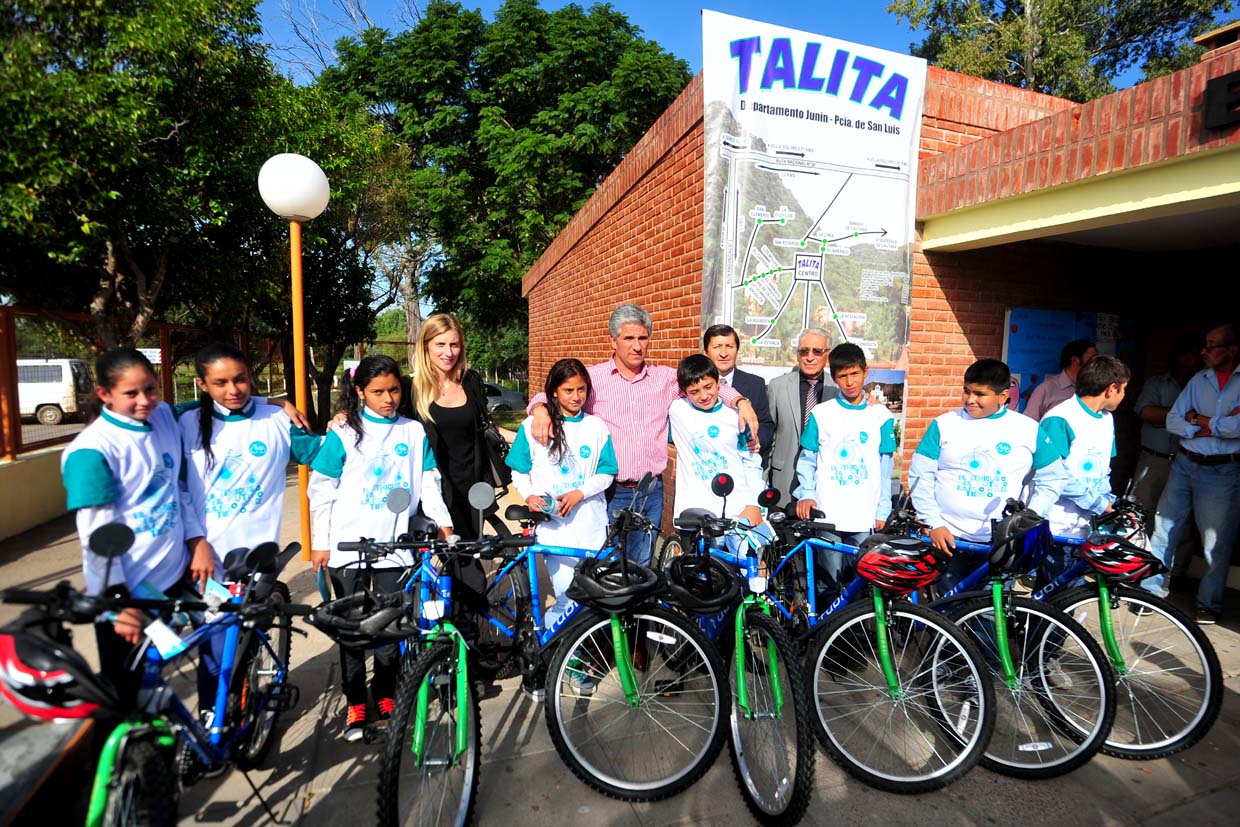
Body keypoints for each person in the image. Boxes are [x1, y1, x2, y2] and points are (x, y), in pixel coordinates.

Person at [526, 304, 759, 567]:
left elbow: (706, 383)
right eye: (628, 338)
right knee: (606, 567)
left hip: (651, 492)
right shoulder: (592, 379)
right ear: (612, 340)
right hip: (610, 490)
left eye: (642, 338)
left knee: (642, 566)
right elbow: (550, 393)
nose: (637, 346)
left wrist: (741, 402)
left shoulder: (665, 379)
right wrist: (540, 410)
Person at [308, 355, 453, 741]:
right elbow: (321, 489)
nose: (388, 398)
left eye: (394, 390)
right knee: (353, 629)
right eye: (377, 392)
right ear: (359, 392)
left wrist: (442, 520)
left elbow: (427, 480)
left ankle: (385, 693)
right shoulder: (342, 434)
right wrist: (320, 543)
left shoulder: (413, 432)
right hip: (347, 547)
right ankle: (356, 701)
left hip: (394, 546)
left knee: (391, 625)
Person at [60, 348, 213, 706]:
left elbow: (176, 487)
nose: (145, 400)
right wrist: (121, 605)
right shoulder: (91, 452)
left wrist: (196, 541)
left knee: (184, 662)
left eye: (151, 389)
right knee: (124, 696)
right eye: (131, 393)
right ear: (104, 395)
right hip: (129, 592)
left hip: (176, 575)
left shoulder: (162, 419)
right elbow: (97, 539)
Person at [909, 358, 1058, 592]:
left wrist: (1028, 520)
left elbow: (1053, 478)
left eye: (980, 394)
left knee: (990, 617)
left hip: (1001, 544)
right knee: (948, 613)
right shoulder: (944, 425)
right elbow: (920, 475)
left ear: (1003, 396)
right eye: (966, 391)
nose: (970, 399)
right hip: (949, 539)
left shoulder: (1028, 429)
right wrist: (933, 522)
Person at [179, 343, 322, 572]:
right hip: (199, 561)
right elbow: (179, 491)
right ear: (202, 384)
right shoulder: (185, 423)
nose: (233, 390)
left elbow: (323, 455)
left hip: (259, 562)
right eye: (220, 383)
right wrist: (196, 544)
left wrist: (346, 427)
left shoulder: (279, 420)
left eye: (240, 379)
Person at [505, 359, 617, 633]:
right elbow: (518, 471)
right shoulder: (534, 426)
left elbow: (607, 472)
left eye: (581, 389)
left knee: (596, 597)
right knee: (567, 597)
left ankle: (583, 656)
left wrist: (580, 493)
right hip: (556, 530)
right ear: (554, 392)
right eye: (568, 390)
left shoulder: (596, 427)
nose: (576, 396)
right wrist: (530, 495)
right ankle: (559, 655)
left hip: (592, 527)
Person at [1142, 323, 1240, 625]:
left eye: (1211, 345)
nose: (1204, 351)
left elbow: (1238, 429)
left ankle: (1208, 604)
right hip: (1184, 464)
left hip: (1222, 470)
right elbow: (1173, 420)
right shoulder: (1199, 379)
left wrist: (1200, 420)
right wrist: (1211, 424)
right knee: (1164, 528)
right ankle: (1150, 593)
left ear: (1232, 349)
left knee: (1215, 541)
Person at [794, 342, 896, 589]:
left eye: (854, 374)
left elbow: (885, 468)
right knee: (828, 584)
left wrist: (882, 510)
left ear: (865, 372)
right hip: (828, 515)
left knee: (860, 585)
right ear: (835, 378)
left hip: (865, 516)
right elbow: (807, 460)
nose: (850, 382)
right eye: (842, 376)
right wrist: (806, 494)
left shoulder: (882, 416)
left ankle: (854, 629)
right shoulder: (821, 413)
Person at [1029, 355, 1131, 588]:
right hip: (1056, 524)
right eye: (1124, 390)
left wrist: (1109, 505)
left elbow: (1104, 469)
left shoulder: (1107, 419)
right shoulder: (1060, 418)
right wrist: (1099, 504)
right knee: (1059, 598)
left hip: (1085, 525)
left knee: (1066, 599)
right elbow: (1055, 475)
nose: (1124, 396)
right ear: (1111, 388)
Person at [668, 355, 766, 529]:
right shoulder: (677, 410)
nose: (704, 396)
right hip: (695, 513)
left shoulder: (738, 416)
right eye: (694, 392)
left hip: (737, 511)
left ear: (719, 384)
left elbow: (752, 463)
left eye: (708, 387)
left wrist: (753, 504)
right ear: (685, 392)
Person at [1132, 335, 1201, 575]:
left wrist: (1171, 418)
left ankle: (1176, 572)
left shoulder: (1201, 385)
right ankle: (1137, 569)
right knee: (1141, 513)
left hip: (1186, 461)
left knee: (1180, 520)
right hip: (1154, 458)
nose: (1196, 359)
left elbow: (1207, 423)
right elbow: (1146, 411)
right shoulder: (1158, 383)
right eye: (1191, 353)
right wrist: (1185, 417)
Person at [767, 329, 838, 506]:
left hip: (825, 484)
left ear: (827, 355)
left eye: (817, 351)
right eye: (804, 351)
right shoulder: (777, 387)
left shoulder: (838, 389)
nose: (810, 357)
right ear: (797, 354)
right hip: (783, 484)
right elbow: (769, 439)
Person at [703, 324, 774, 464]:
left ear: (737, 350)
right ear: (706, 352)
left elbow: (766, 424)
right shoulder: (695, 385)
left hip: (744, 465)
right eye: (717, 347)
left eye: (730, 346)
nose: (724, 353)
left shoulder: (755, 384)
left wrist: (757, 440)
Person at [1025, 339, 1098, 421]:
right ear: (1075, 360)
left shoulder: (1096, 389)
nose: (1097, 365)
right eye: (1092, 360)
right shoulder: (1045, 390)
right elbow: (1028, 426)